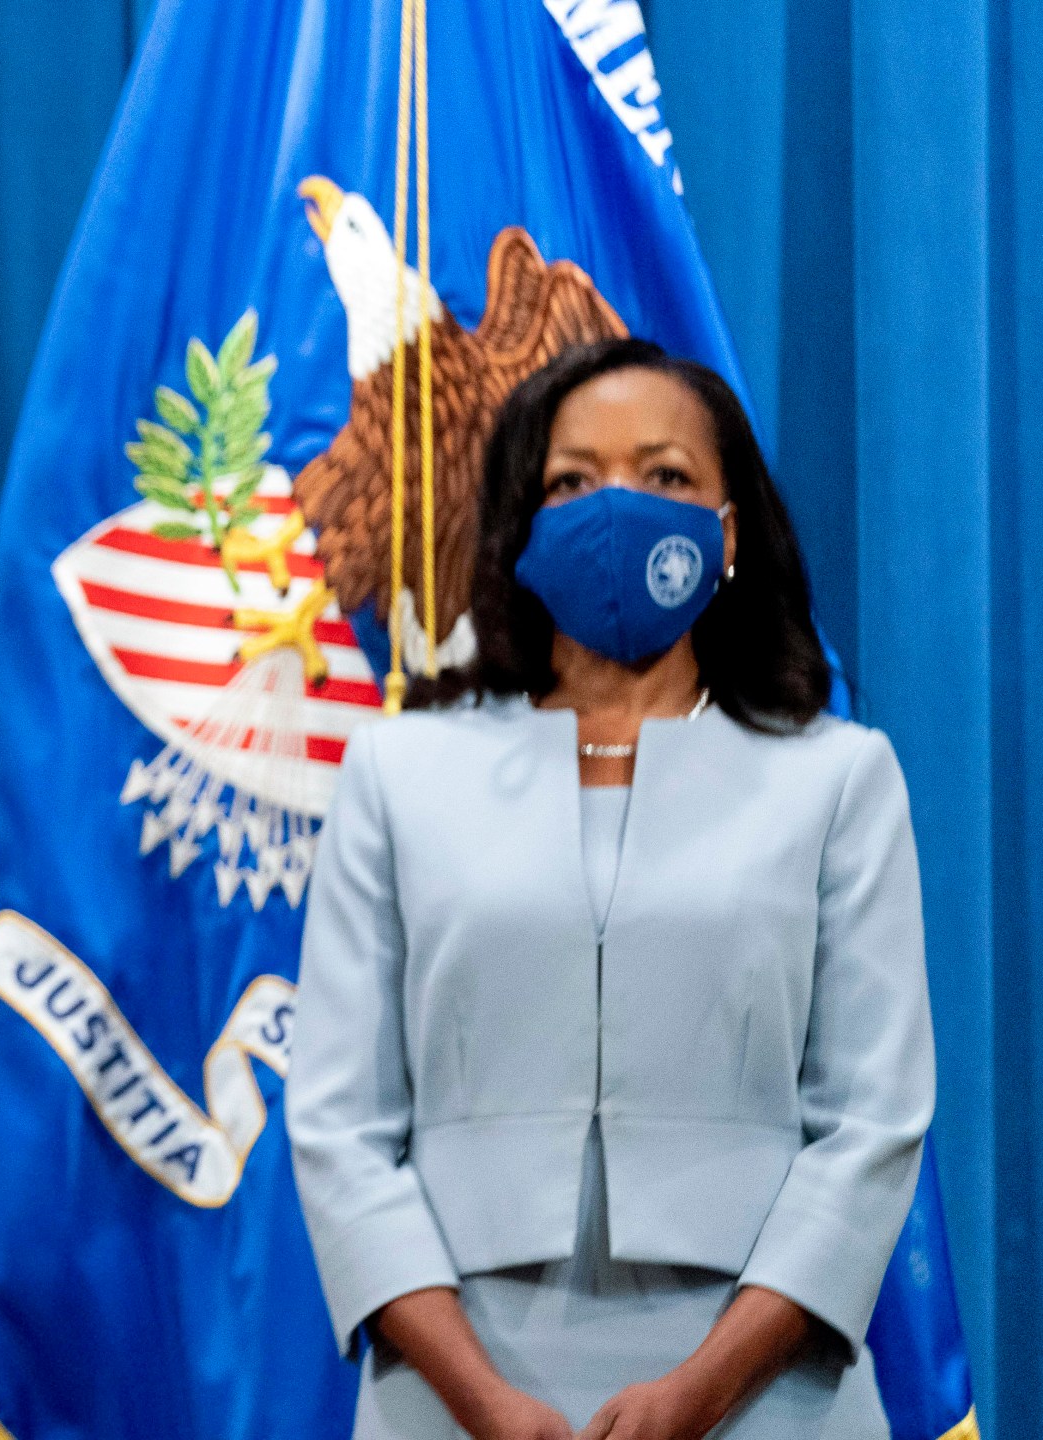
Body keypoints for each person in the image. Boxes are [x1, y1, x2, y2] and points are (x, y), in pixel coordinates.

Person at [287, 338, 934, 1439]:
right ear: (522, 530)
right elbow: (339, 1130)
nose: (616, 510)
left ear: (726, 537)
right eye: (572, 482)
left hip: (766, 1384)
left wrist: (701, 1393)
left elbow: (870, 1128)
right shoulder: (397, 776)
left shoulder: (838, 779)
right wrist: (484, 1404)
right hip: (454, 1385)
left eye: (666, 477)